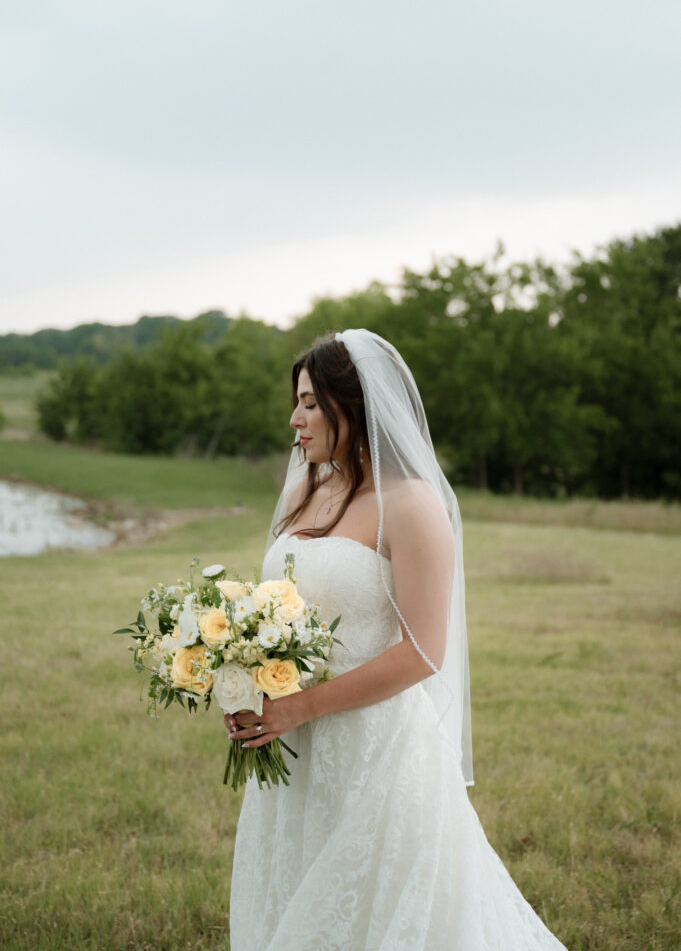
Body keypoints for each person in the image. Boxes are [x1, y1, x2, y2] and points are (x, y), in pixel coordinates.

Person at [226, 328, 568, 951]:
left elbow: (422, 651)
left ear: (352, 406)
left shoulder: (412, 504)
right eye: (296, 402)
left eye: (308, 402)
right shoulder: (311, 488)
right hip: (294, 749)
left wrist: (300, 706)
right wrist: (242, 685)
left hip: (374, 754)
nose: (294, 419)